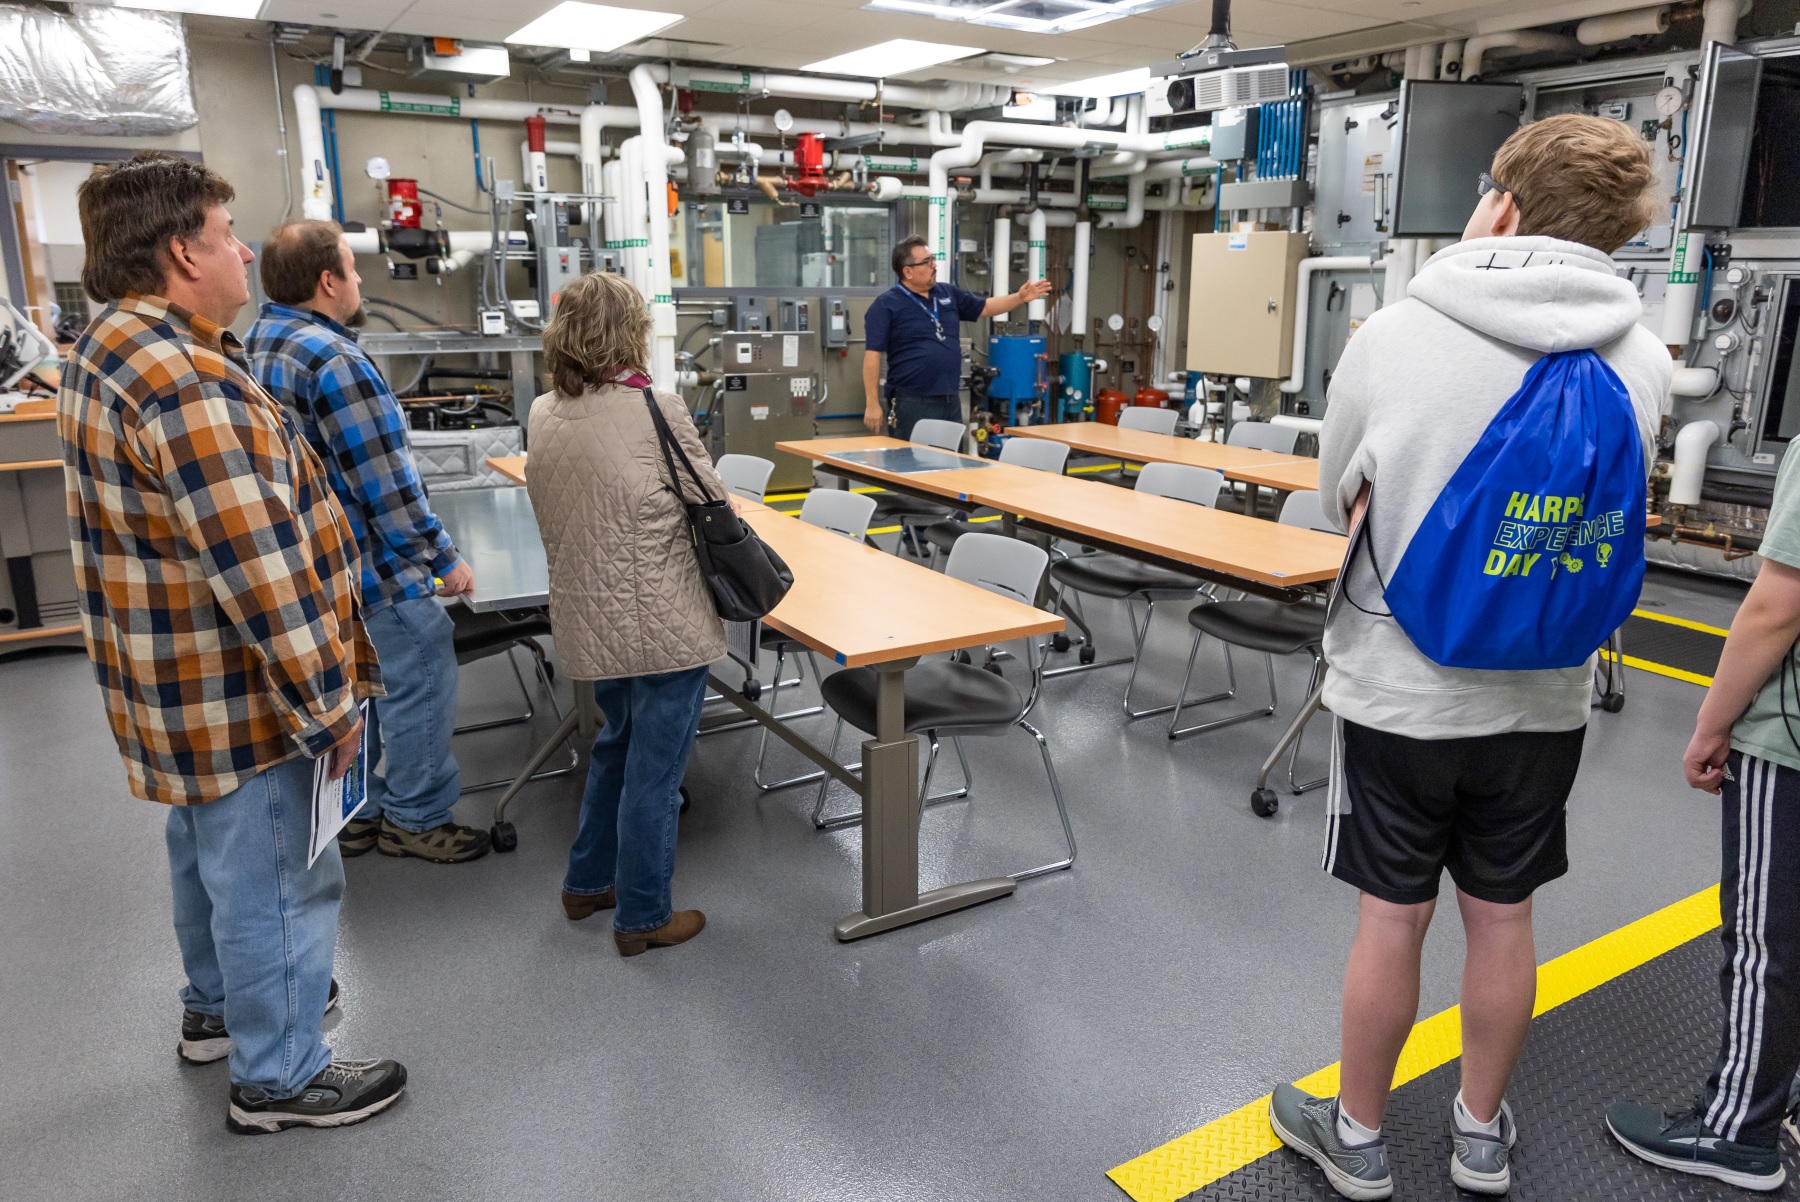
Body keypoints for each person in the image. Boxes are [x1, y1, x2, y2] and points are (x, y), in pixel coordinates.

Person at [1267, 115, 1670, 1198]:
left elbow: (1333, 494)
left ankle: (1353, 1134)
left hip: (1403, 687)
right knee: (1505, 914)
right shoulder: (1644, 357)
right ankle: (1479, 1132)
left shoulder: (1394, 334)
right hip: (1545, 694)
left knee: (1392, 915)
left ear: (1501, 202)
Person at [58, 151, 405, 1133]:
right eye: (225, 231)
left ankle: (217, 1008)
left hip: (170, 686)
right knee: (280, 872)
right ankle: (280, 1072)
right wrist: (330, 701)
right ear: (182, 249)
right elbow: (259, 568)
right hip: (239, 691)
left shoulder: (108, 347)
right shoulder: (183, 378)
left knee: (206, 852)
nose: (243, 249)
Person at [247, 220, 489, 864]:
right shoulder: (337, 360)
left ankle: (362, 810)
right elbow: (385, 484)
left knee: (366, 683)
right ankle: (416, 815)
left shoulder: (260, 343)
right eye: (354, 272)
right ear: (328, 281)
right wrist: (442, 558)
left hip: (313, 567)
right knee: (422, 662)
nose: (359, 283)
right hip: (370, 567)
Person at [1604, 460, 1800, 1190]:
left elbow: (1777, 605)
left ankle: (1737, 1131)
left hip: (1791, 740)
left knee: (1765, 939)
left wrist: (1712, 724)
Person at [527, 270, 725, 957]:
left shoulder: (542, 412)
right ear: (630, 333)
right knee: (656, 773)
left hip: (590, 619)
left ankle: (586, 882)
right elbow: (710, 496)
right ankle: (643, 917)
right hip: (663, 621)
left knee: (613, 745)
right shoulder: (655, 408)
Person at [861, 235, 1052, 438]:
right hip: (912, 401)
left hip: (950, 399)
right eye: (927, 262)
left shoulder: (947, 293)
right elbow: (872, 355)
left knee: (951, 463)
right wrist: (872, 403)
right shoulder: (885, 305)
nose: (934, 265)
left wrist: (1020, 297)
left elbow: (985, 307)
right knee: (911, 464)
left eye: (932, 259)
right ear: (907, 271)